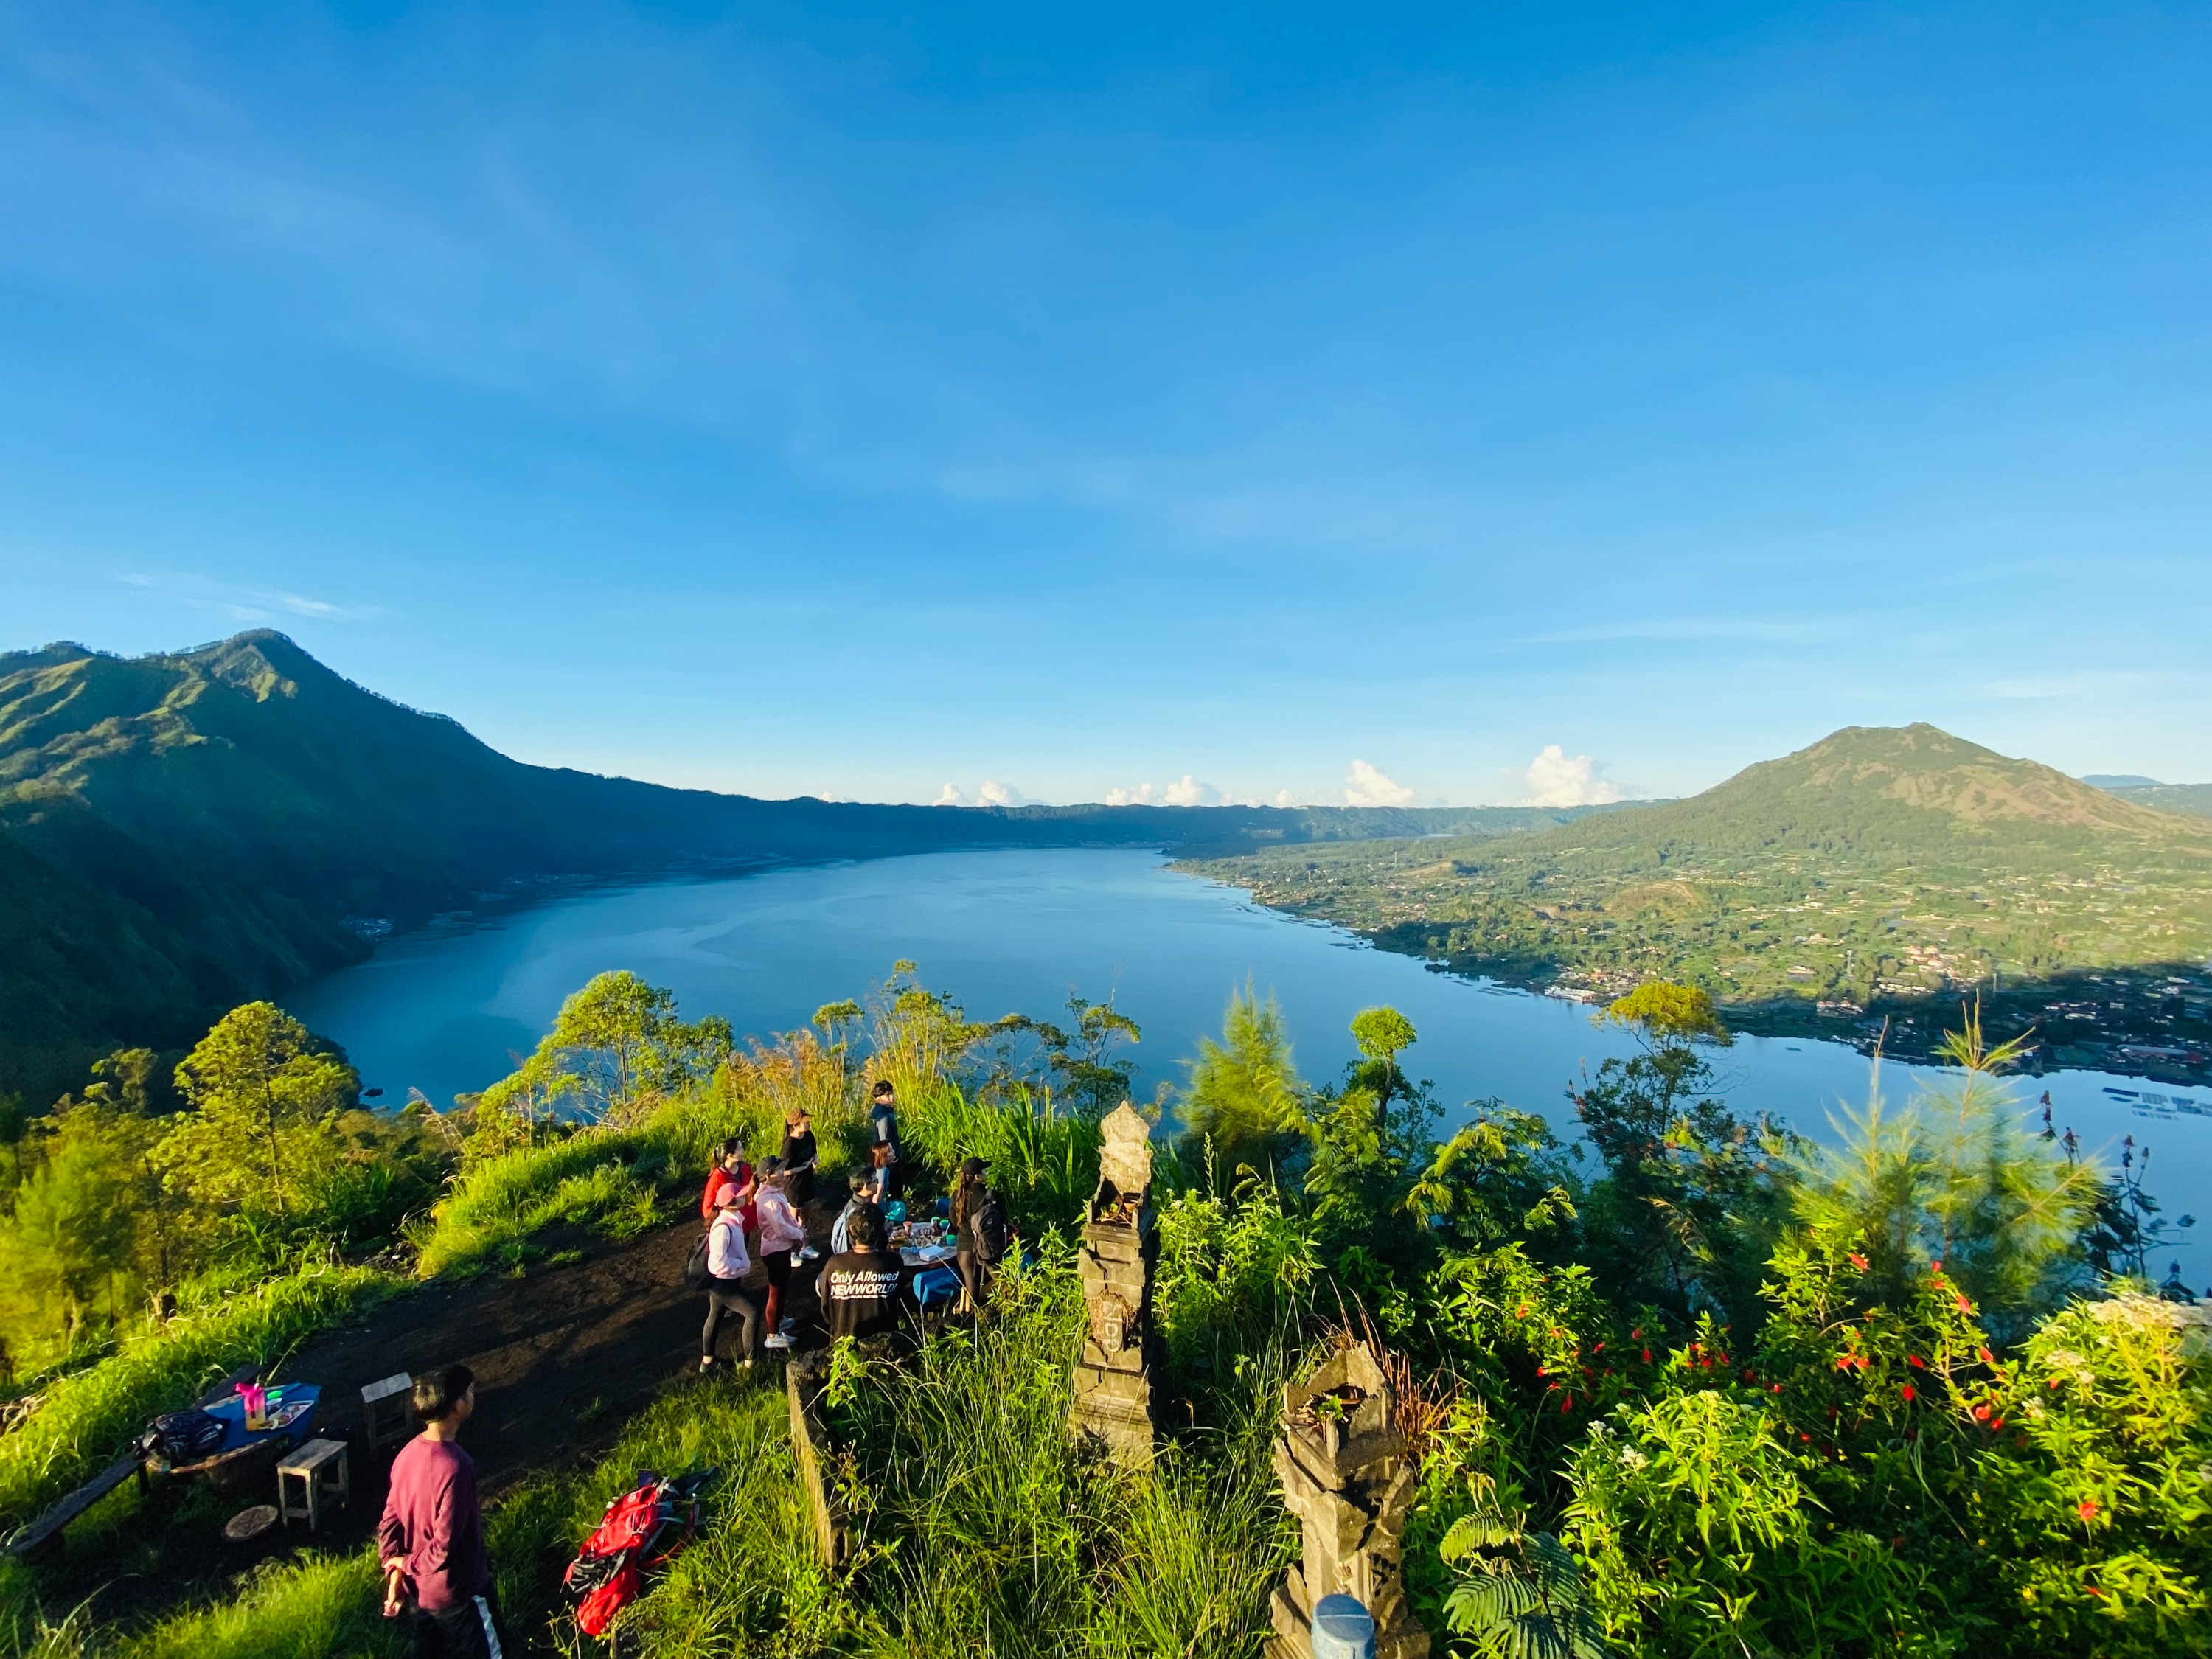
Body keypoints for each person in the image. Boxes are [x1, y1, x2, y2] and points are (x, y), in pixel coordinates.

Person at [379, 1363, 510, 1659]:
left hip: (421, 1597)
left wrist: (395, 1568)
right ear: (456, 1405)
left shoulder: (406, 1456)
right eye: (470, 1391)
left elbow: (390, 1520)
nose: (473, 1395)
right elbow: (443, 1548)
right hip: (460, 1594)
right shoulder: (456, 1466)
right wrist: (405, 1563)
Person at [819, 1208, 911, 1346]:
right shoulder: (893, 1262)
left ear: (850, 1231)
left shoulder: (834, 1264)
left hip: (843, 1349)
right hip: (884, 1346)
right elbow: (901, 1304)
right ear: (881, 1232)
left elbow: (826, 1307)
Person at [700, 1183, 760, 1371]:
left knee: (715, 1315)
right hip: (723, 1284)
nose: (745, 1197)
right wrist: (741, 1265)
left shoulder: (731, 1220)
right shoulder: (724, 1228)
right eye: (741, 1195)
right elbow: (717, 1263)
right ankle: (749, 1363)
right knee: (752, 1313)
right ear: (731, 1203)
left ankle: (708, 1361)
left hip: (722, 1283)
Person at [754, 1157, 807, 1350]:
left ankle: (778, 1320)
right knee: (775, 1293)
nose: (784, 1173)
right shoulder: (769, 1200)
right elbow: (780, 1228)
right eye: (779, 1170)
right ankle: (772, 1335)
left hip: (778, 1248)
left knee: (781, 1290)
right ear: (768, 1177)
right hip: (775, 1250)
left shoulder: (773, 1193)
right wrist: (799, 1233)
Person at [779, 1110, 819, 1217]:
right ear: (796, 1126)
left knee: (807, 1213)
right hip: (794, 1185)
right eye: (805, 1122)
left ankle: (803, 1231)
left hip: (808, 1181)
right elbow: (784, 1171)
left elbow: (814, 1152)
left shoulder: (809, 1135)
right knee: (793, 1218)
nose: (808, 1124)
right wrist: (803, 1167)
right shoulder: (789, 1146)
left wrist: (815, 1159)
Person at [866, 1080, 902, 1199]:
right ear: (878, 1097)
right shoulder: (883, 1117)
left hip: (885, 1158)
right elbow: (884, 1141)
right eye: (888, 1095)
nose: (892, 1097)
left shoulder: (882, 1112)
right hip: (887, 1159)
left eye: (892, 1093)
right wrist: (894, 1158)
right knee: (892, 1190)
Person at [829, 1170, 877, 1256]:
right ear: (866, 1186)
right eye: (875, 1181)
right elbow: (855, 1242)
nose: (878, 1183)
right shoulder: (859, 1213)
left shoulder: (854, 1203)